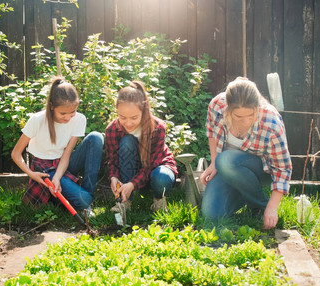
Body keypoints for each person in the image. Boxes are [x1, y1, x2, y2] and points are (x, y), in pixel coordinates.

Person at [199, 77, 292, 230]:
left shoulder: (271, 122)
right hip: (227, 169)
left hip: (259, 170)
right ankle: (245, 194)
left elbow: (283, 169)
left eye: (250, 115)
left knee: (226, 161)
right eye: (239, 116)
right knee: (211, 216)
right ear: (227, 109)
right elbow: (211, 132)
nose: (246, 121)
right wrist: (213, 162)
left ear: (258, 107)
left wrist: (272, 207)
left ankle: (260, 205)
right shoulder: (216, 106)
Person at [11, 77, 104, 216]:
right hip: (44, 168)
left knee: (96, 137)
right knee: (82, 199)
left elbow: (66, 155)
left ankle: (86, 202)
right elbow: (16, 153)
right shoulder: (37, 120)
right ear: (52, 106)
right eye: (63, 114)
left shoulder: (79, 119)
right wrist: (32, 174)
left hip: (63, 163)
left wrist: (57, 178)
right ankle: (77, 199)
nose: (68, 117)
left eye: (72, 111)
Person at [105, 81, 178, 213]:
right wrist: (114, 177)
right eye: (122, 117)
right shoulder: (112, 130)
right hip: (130, 173)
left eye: (134, 117)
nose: (128, 123)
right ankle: (126, 200)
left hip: (157, 170)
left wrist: (132, 184)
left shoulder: (157, 127)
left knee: (160, 178)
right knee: (127, 141)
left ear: (143, 111)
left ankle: (158, 200)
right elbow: (113, 162)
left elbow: (152, 165)